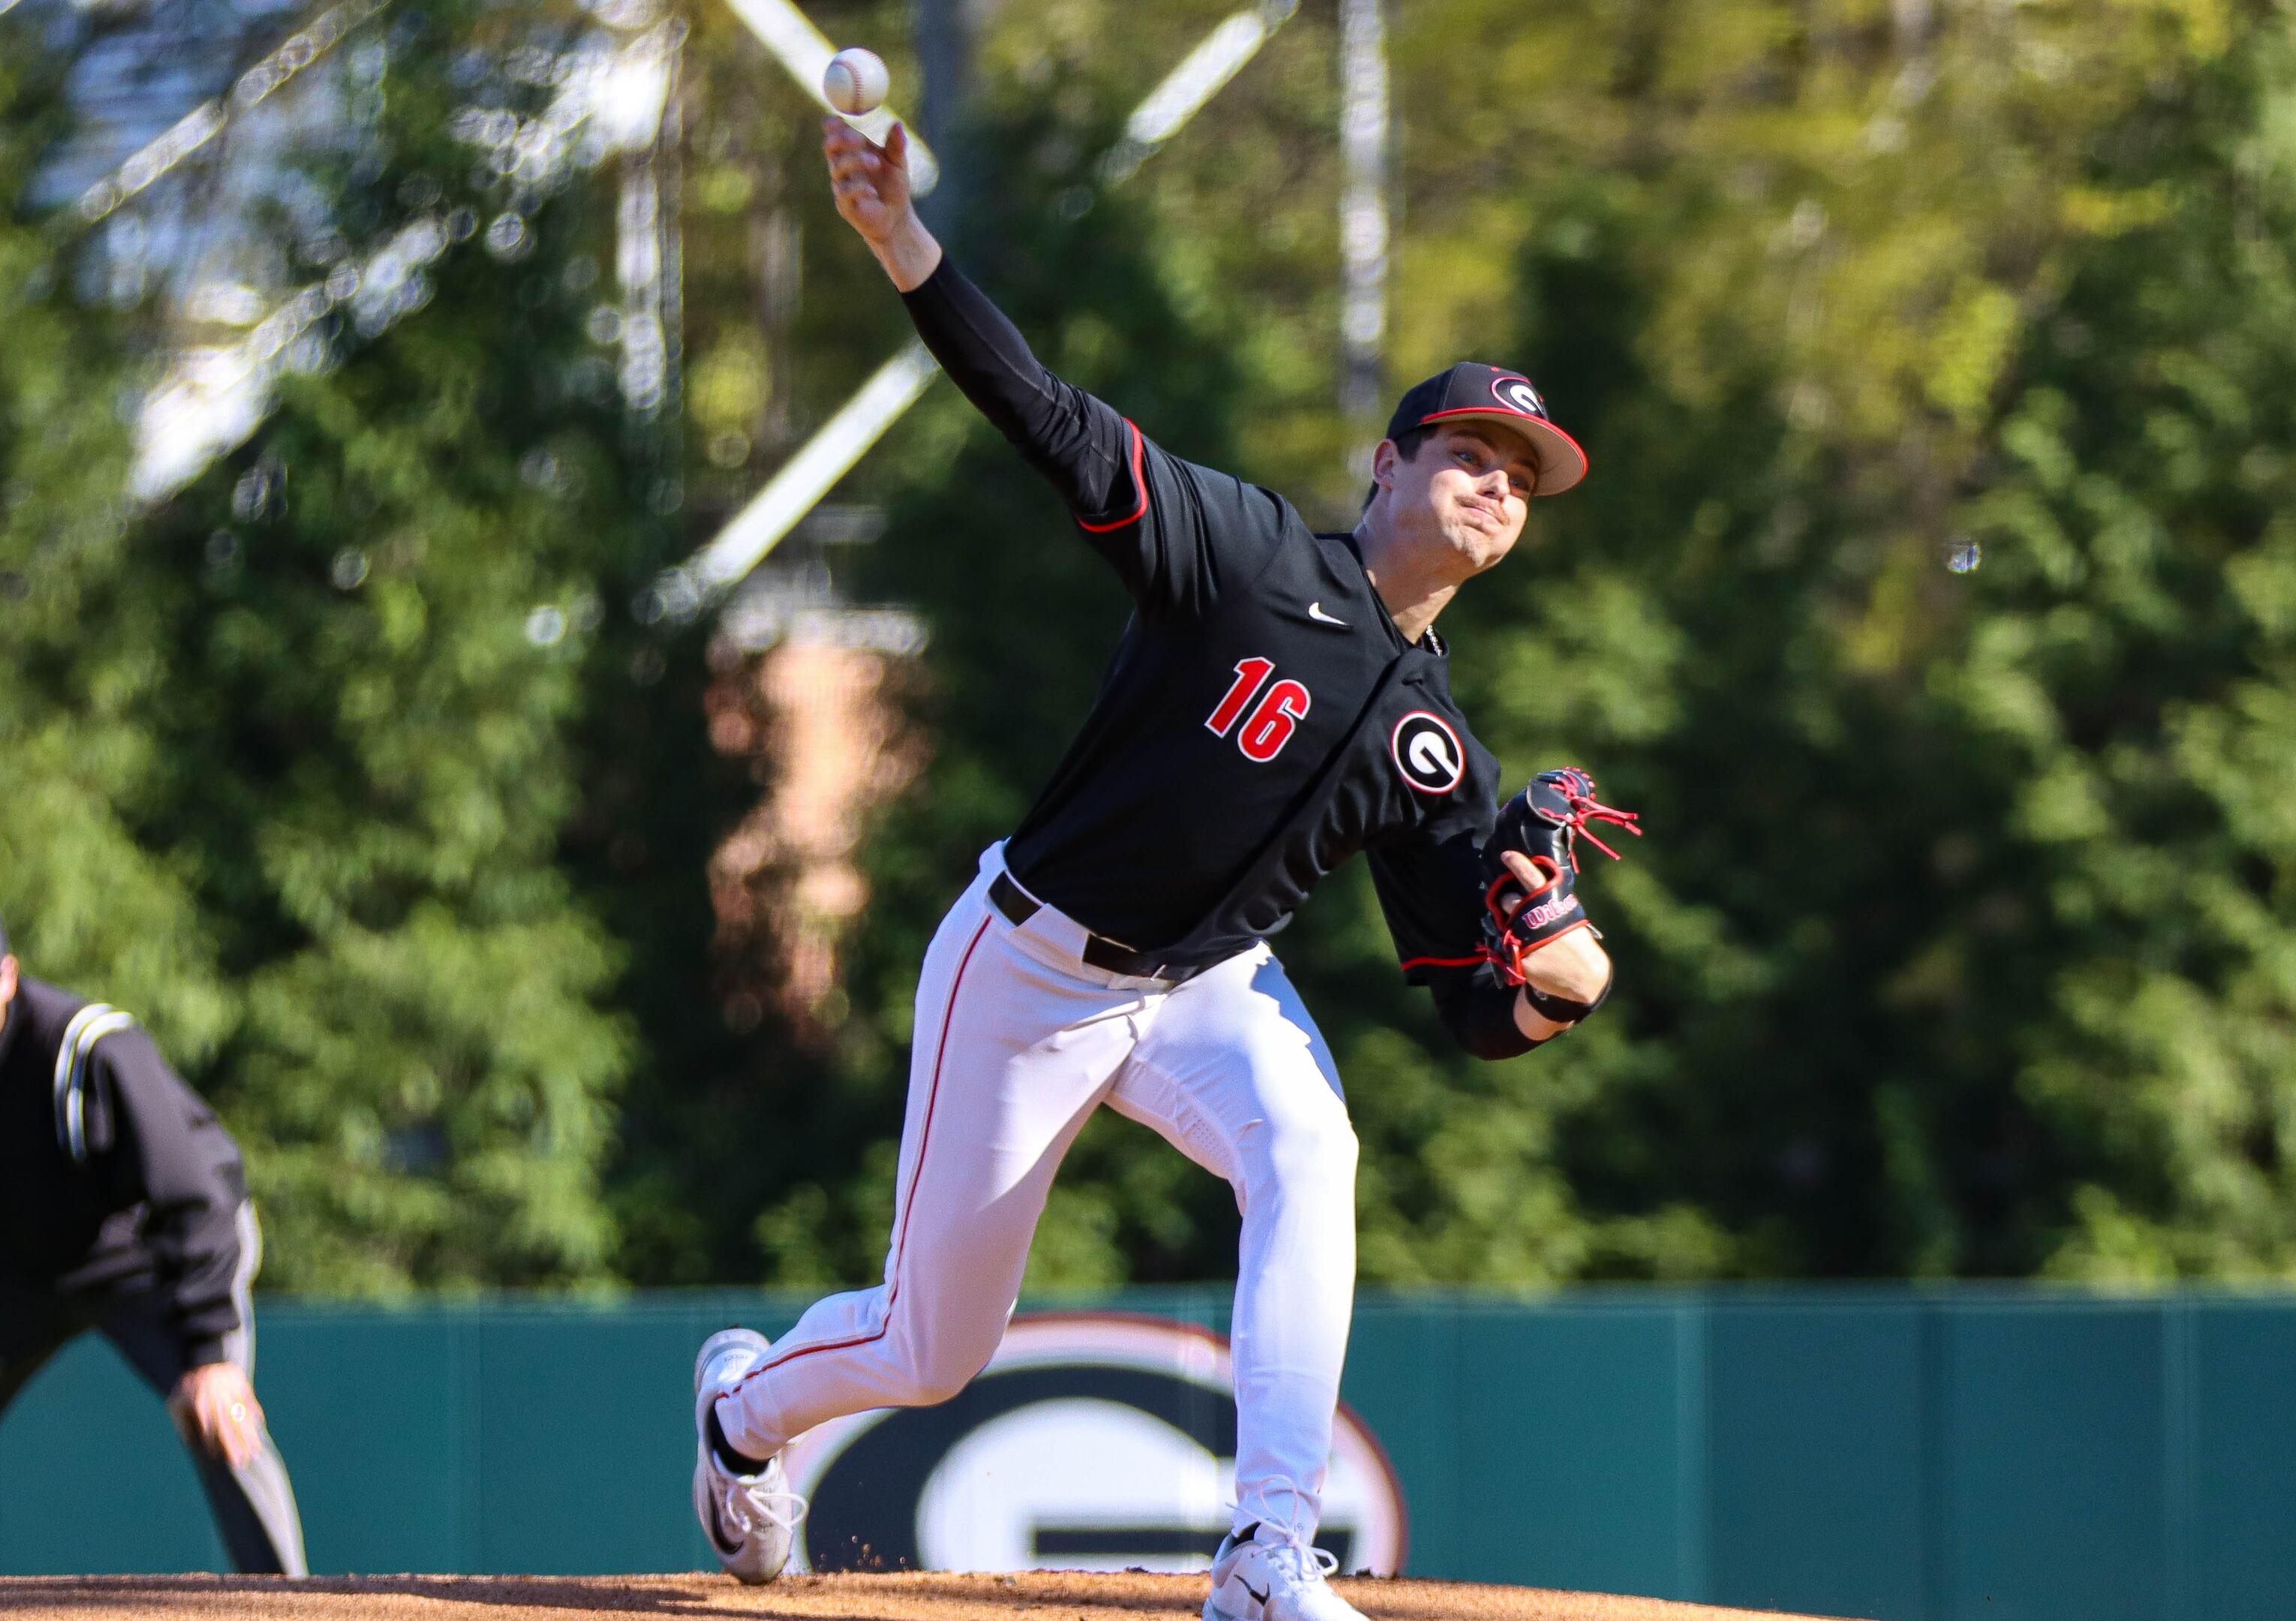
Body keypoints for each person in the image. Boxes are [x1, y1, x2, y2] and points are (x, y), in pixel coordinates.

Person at [687, 119, 1628, 1621]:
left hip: (1204, 990)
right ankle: (744, 1413)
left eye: (1523, 477)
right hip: (1030, 968)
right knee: (933, 1354)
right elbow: (1051, 418)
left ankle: (1265, 1550)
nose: (1498, 485)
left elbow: (1473, 1006)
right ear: (1388, 466)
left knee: (1315, 1159)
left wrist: (1568, 981)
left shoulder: (1441, 749)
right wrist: (906, 250)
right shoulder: (1248, 557)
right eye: (1470, 452)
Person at [0, 893, 306, 1576]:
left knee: (215, 1412)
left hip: (153, 1250)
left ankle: (294, 1605)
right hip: (22, 1263)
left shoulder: (87, 1046)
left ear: (8, 977)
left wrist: (208, 1353)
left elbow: (194, 1192)